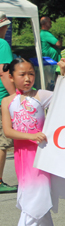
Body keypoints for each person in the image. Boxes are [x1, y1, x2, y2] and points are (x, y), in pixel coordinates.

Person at [1, 58, 65, 226]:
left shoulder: (41, 96)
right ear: (11, 77)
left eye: (31, 73)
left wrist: (63, 72)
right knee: (35, 199)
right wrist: (30, 136)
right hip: (24, 156)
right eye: (22, 74)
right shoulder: (7, 102)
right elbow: (8, 131)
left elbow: (64, 97)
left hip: (42, 156)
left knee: (34, 198)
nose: (28, 78)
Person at [0, 12, 17, 193]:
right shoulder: (2, 44)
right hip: (1, 97)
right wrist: (15, 96)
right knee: (1, 142)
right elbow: (4, 72)